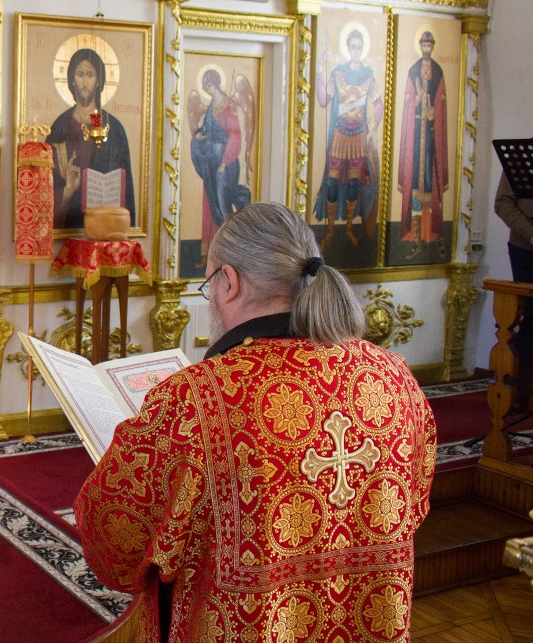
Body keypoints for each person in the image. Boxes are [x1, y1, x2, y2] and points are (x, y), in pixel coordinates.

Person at [74, 202, 436, 643]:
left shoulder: (194, 399)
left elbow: (113, 539)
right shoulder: (394, 377)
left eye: (210, 283)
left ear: (229, 281)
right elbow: (413, 507)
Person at [47, 47, 135, 230]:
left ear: (98, 81)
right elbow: (46, 184)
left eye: (91, 75)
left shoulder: (113, 128)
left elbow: (125, 186)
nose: (85, 81)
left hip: (103, 224)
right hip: (68, 222)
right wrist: (67, 190)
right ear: (72, 80)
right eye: (80, 74)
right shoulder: (60, 126)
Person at [313, 28, 383, 249]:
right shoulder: (338, 73)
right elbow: (323, 100)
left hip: (358, 136)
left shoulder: (369, 77)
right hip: (339, 134)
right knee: (332, 183)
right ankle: (330, 230)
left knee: (353, 183)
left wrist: (374, 129)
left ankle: (350, 228)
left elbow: (378, 105)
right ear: (348, 48)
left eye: (359, 47)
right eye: (353, 47)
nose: (356, 51)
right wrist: (319, 72)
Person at [187, 68, 254, 265]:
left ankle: (229, 254)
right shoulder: (210, 108)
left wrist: (225, 161)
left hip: (226, 164)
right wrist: (199, 137)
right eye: (205, 87)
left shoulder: (229, 106)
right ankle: (207, 253)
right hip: (210, 163)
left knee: (223, 206)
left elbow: (235, 136)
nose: (208, 89)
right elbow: (207, 131)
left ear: (216, 83)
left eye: (210, 85)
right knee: (209, 205)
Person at [397, 30, 449, 259]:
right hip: (416, 139)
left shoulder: (438, 71)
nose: (427, 49)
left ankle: (436, 237)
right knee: (416, 190)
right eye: (424, 45)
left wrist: (434, 113)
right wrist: (417, 102)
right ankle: (416, 240)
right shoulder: (413, 71)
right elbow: (408, 105)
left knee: (432, 186)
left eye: (429, 45)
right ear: (420, 47)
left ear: (432, 47)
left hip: (431, 141)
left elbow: (442, 105)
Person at [494, 167, 533, 411]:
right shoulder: (520, 160)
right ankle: (521, 390)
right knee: (531, 317)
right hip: (525, 248)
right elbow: (502, 203)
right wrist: (531, 234)